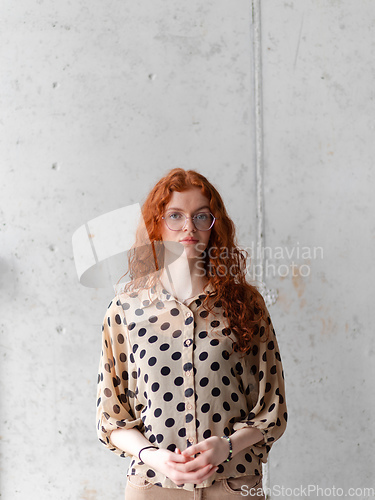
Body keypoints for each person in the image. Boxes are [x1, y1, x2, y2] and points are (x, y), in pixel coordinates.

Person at [96, 168, 288, 499]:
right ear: (155, 226)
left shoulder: (246, 304)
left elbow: (272, 409)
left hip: (233, 485)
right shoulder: (125, 309)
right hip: (153, 486)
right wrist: (155, 457)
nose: (189, 227)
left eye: (201, 216)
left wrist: (226, 447)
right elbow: (111, 419)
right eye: (175, 216)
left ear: (215, 227)